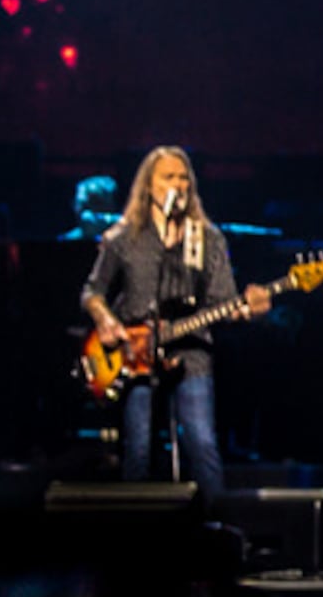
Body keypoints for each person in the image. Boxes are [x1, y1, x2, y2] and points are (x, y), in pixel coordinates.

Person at [80, 146, 269, 497]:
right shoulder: (124, 238)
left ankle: (216, 528)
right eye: (169, 177)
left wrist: (246, 308)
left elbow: (223, 301)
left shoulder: (208, 240)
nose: (178, 185)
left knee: (202, 444)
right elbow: (92, 290)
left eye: (184, 178)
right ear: (149, 187)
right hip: (135, 355)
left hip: (191, 353)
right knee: (137, 448)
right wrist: (105, 319)